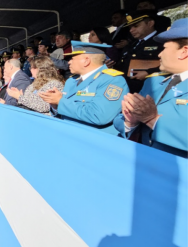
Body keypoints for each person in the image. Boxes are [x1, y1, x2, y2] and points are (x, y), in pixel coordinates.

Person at [113, 18, 188, 157]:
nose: (159, 54)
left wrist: (152, 120)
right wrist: (130, 122)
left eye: (164, 48)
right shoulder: (154, 81)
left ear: (184, 52)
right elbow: (120, 119)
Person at [39, 41, 129, 133]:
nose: (69, 62)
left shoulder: (113, 80)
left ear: (86, 61)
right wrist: (55, 106)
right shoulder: (71, 81)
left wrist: (60, 101)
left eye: (72, 58)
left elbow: (99, 116)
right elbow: (64, 112)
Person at [114, 10, 164, 93]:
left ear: (150, 23)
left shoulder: (162, 42)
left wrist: (149, 72)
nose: (131, 30)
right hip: (129, 89)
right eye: (130, 27)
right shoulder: (131, 44)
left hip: (152, 88)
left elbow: (173, 64)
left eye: (136, 26)